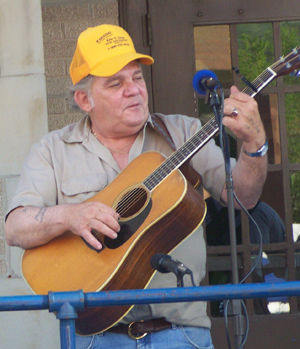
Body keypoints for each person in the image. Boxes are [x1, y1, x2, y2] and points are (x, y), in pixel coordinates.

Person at [5, 24, 268, 349]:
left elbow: (242, 194)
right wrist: (69, 215)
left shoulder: (180, 132)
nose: (133, 90)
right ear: (84, 99)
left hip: (183, 334)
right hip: (96, 338)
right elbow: (15, 228)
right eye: (116, 83)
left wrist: (255, 145)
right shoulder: (53, 151)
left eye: (137, 78)